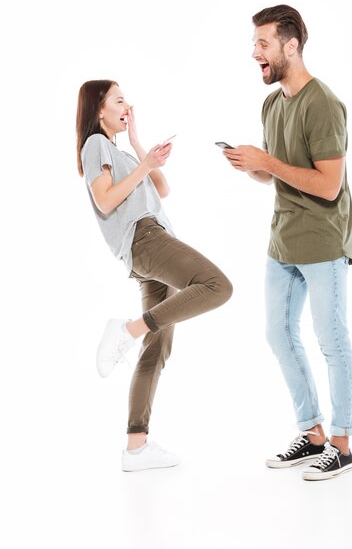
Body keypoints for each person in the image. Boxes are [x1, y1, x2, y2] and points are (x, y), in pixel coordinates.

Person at [223, 5, 352, 481]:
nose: (254, 52)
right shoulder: (272, 103)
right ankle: (313, 433)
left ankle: (341, 444)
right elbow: (279, 178)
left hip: (323, 242)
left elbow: (328, 186)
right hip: (282, 242)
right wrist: (251, 165)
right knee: (278, 334)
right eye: (255, 43)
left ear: (291, 46)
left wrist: (269, 163)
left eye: (263, 43)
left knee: (332, 340)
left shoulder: (323, 103)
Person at [76, 80, 233, 472]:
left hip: (153, 241)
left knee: (158, 347)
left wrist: (139, 144)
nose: (126, 103)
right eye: (118, 99)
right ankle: (126, 330)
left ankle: (136, 447)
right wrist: (143, 164)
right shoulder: (96, 145)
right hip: (143, 239)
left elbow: (162, 187)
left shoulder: (121, 151)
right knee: (217, 286)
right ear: (99, 110)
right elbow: (106, 200)